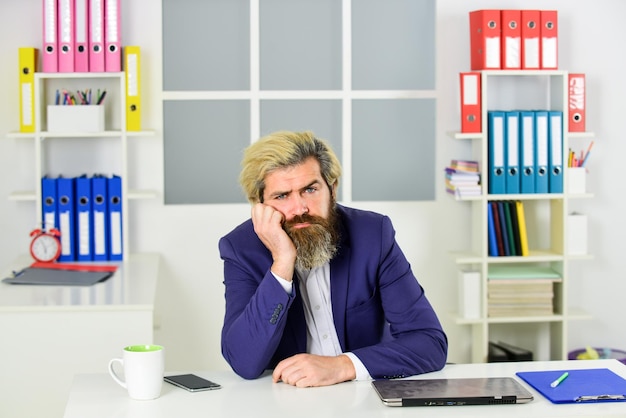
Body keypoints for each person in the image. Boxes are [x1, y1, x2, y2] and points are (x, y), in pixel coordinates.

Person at [219, 131, 447, 387]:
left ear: (332, 188)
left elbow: (430, 342)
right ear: (259, 206)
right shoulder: (240, 249)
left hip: (366, 395)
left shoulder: (373, 235)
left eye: (310, 189)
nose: (299, 209)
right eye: (282, 196)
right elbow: (243, 362)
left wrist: (342, 366)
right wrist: (282, 262)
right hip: (288, 401)